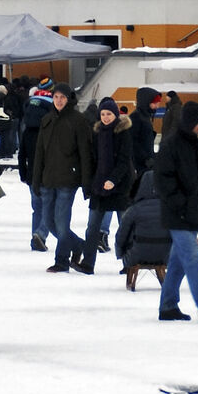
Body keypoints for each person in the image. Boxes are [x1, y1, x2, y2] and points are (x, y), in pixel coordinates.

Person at [152, 101, 198, 322]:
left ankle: (167, 306)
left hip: (194, 213)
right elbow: (162, 180)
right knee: (193, 258)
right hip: (178, 214)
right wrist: (181, 204)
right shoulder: (171, 145)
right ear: (188, 123)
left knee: (177, 263)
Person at [28, 83, 94, 262]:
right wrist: (35, 180)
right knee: (49, 222)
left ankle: (62, 260)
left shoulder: (78, 121)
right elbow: (40, 153)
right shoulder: (47, 119)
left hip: (68, 179)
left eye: (62, 97)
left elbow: (85, 153)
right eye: (56, 97)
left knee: (61, 223)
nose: (59, 101)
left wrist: (86, 182)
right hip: (47, 179)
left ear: (68, 99)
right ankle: (79, 245)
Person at [78, 97, 134, 275]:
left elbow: (125, 161)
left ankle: (129, 263)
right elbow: (94, 160)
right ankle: (88, 263)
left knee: (125, 226)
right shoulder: (97, 132)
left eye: (109, 114)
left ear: (115, 114)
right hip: (99, 186)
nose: (105, 117)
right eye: (102, 114)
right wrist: (92, 182)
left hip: (121, 187)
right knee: (92, 226)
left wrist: (113, 180)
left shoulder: (123, 132)